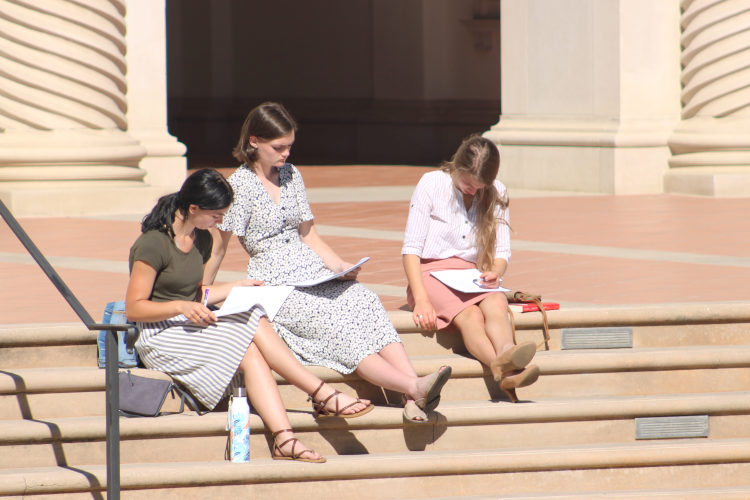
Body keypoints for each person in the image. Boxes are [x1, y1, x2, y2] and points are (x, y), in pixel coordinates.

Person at [203, 102, 451, 423]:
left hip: (313, 272)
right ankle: (413, 385)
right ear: (254, 142)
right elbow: (218, 248)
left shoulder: (292, 175)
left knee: (365, 300)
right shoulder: (238, 186)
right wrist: (204, 290)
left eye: (290, 146)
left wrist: (340, 267)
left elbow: (311, 235)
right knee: (336, 323)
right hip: (275, 283)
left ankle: (413, 393)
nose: (285, 154)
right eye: (278, 147)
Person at [125, 168, 377, 464]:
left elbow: (196, 295)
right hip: (159, 334)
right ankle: (321, 393)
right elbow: (135, 307)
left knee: (253, 345)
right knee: (253, 322)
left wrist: (236, 287)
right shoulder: (153, 244)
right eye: (216, 216)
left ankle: (285, 439)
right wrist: (181, 308)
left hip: (189, 323)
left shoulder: (200, 238)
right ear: (193, 208)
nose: (219, 223)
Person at [401, 136, 540, 403]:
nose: (473, 191)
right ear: (458, 165)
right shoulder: (431, 184)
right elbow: (411, 249)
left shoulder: (497, 190)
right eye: (468, 183)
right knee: (470, 316)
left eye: (480, 187)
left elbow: (501, 252)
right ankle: (502, 367)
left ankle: (508, 352)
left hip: (469, 274)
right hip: (429, 272)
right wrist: (420, 300)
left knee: (497, 302)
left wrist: (496, 272)